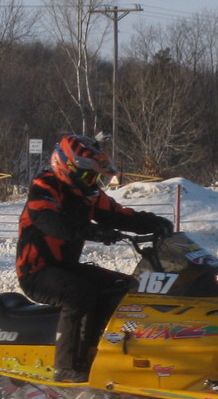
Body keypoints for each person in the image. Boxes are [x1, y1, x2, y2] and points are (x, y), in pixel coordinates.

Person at [16, 134, 173, 382]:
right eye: (89, 176)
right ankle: (67, 368)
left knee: (127, 287)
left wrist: (156, 224)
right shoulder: (45, 187)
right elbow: (50, 222)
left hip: (66, 267)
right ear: (67, 168)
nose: (94, 182)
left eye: (96, 177)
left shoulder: (88, 195)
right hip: (37, 272)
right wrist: (90, 230)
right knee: (78, 294)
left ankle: (115, 352)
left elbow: (119, 216)